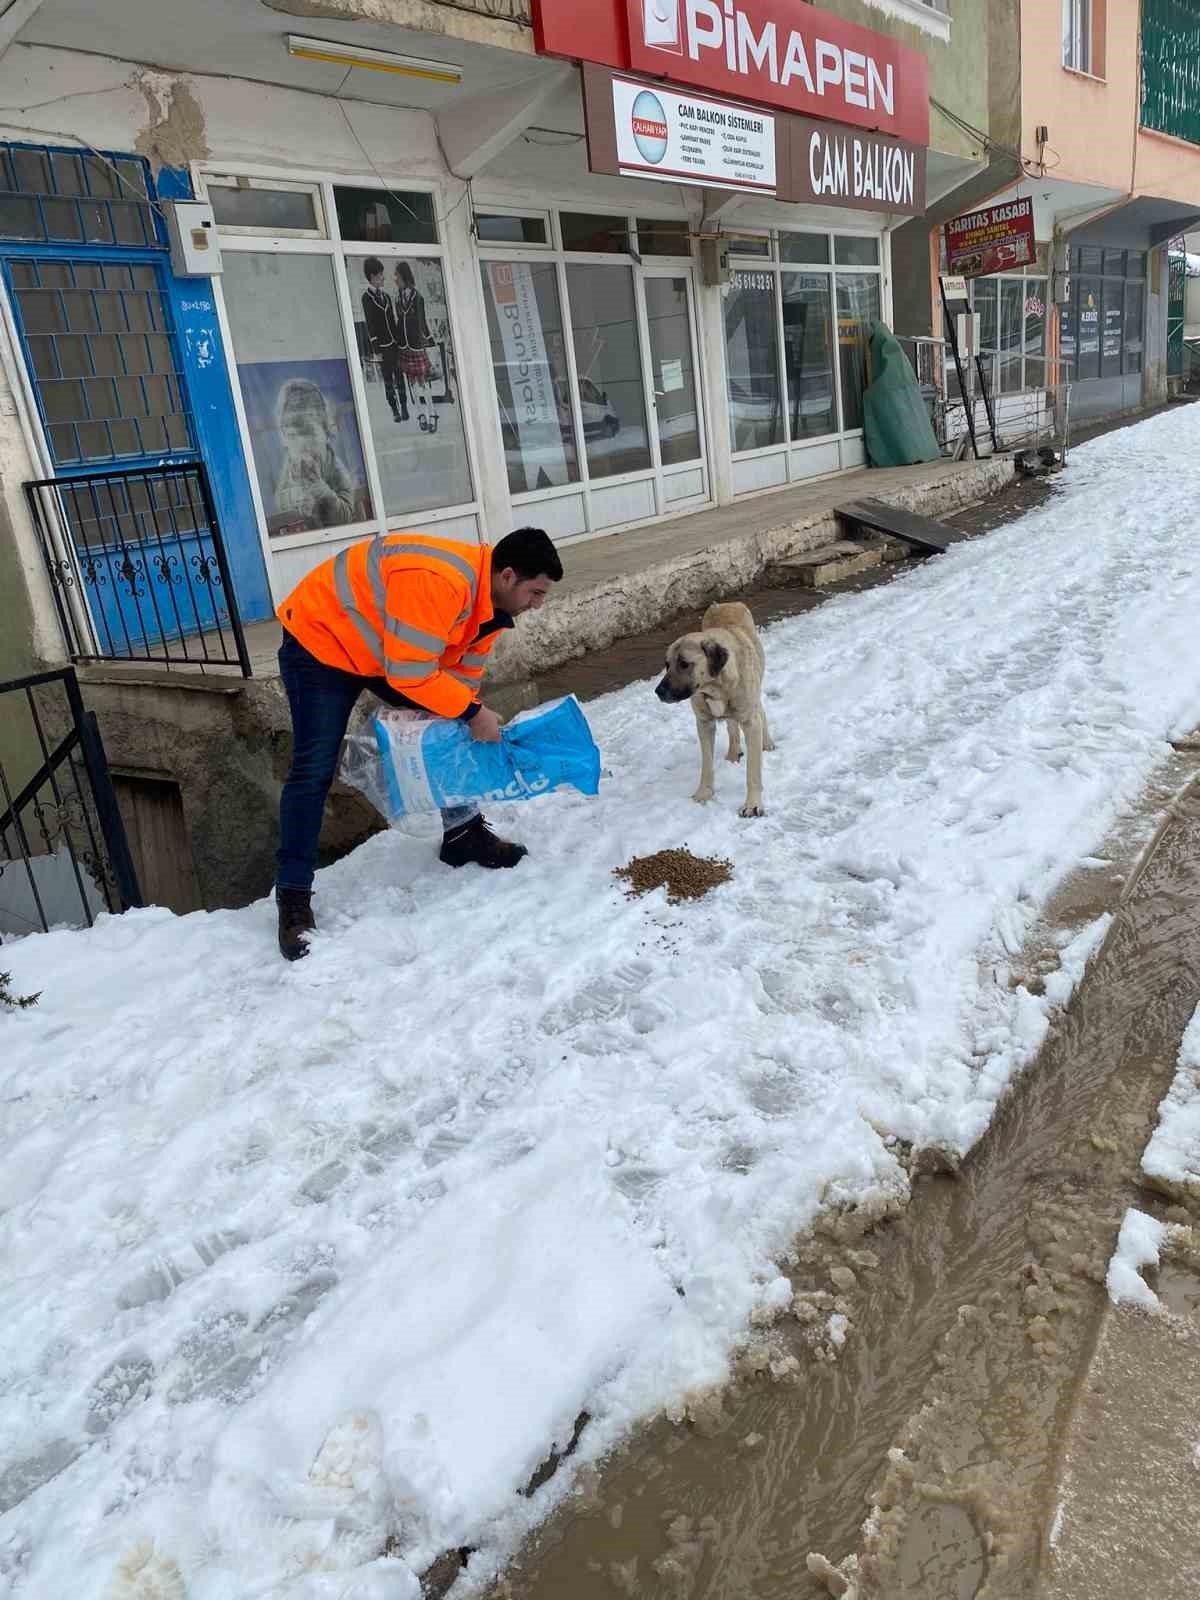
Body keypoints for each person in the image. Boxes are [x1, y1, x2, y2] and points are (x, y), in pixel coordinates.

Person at [273, 527, 564, 961]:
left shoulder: (490, 609)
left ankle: (462, 833)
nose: (538, 604)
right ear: (507, 576)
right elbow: (410, 674)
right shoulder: (441, 582)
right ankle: (293, 898)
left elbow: (458, 684)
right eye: (536, 592)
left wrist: (469, 716)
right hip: (323, 642)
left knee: (451, 723)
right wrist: (473, 713)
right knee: (313, 769)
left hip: (383, 649)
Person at [360, 257, 407, 424]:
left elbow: (393, 321)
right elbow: (370, 326)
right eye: (381, 275)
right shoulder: (366, 298)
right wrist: (376, 350)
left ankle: (404, 406)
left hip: (394, 345)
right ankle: (395, 410)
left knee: (400, 377)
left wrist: (400, 343)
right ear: (372, 277)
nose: (383, 278)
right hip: (382, 348)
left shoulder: (386, 297)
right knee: (388, 380)